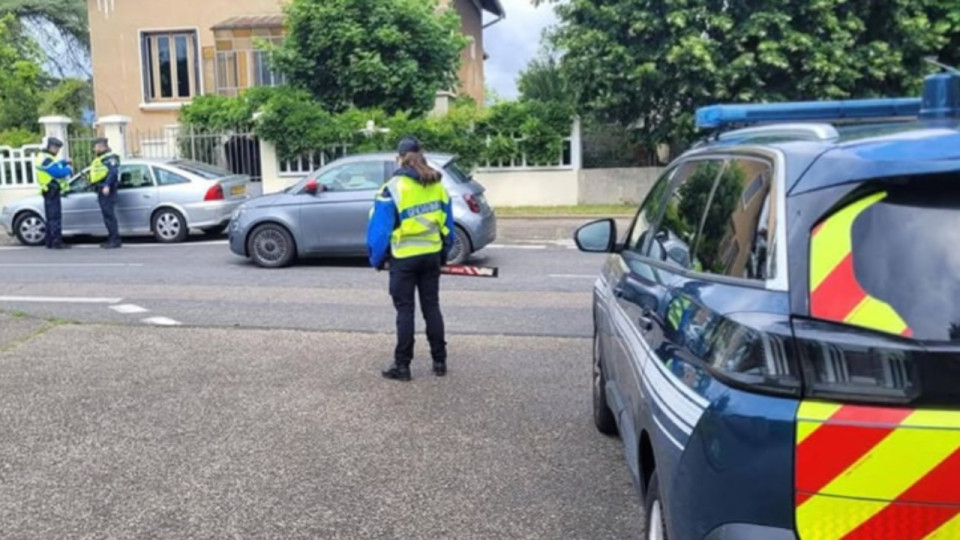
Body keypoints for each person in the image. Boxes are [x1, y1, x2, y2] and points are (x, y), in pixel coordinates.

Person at [367, 137, 456, 381]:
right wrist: (443, 254)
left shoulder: (392, 188)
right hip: (430, 256)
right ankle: (440, 361)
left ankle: (403, 366)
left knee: (405, 312)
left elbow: (380, 232)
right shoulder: (438, 185)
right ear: (421, 155)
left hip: (404, 258)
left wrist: (376, 259)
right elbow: (448, 226)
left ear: (400, 158)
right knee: (432, 307)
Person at [33, 137, 73, 249]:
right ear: (51, 147)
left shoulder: (46, 157)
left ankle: (50, 242)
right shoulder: (46, 159)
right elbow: (57, 172)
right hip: (51, 190)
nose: (58, 151)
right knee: (55, 217)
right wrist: (69, 169)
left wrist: (64, 162)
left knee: (50, 217)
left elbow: (56, 165)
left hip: (49, 190)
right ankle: (56, 242)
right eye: (57, 148)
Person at [89, 137, 122, 249]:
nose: (94, 149)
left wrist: (107, 185)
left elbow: (113, 173)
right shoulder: (102, 158)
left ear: (100, 146)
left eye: (95, 147)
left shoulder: (110, 158)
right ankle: (112, 238)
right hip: (102, 189)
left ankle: (114, 240)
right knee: (107, 215)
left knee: (109, 216)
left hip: (107, 190)